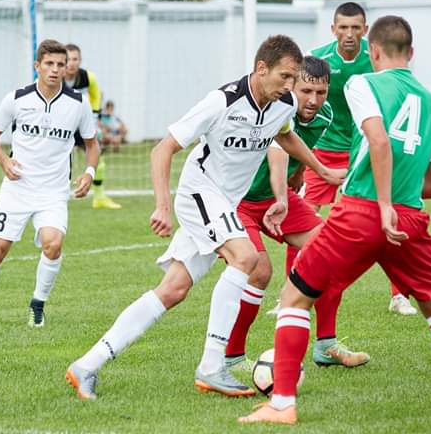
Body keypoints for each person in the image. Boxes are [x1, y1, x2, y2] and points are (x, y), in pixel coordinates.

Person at [238, 16, 431, 424]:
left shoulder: (362, 83)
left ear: (374, 52)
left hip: (362, 211)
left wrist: (381, 202)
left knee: (295, 298)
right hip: (410, 218)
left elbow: (378, 139)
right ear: (412, 54)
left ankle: (282, 405)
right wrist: (398, 201)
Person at [65, 35, 346, 401]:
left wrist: (321, 170)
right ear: (261, 69)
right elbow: (162, 148)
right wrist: (163, 206)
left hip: (225, 202)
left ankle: (86, 365)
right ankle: (213, 366)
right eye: (286, 77)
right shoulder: (223, 100)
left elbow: (286, 136)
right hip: (200, 192)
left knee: (173, 289)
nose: (292, 87)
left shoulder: (282, 103)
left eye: (295, 79)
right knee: (246, 258)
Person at [225, 56, 369, 371]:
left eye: (321, 92)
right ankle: (233, 358)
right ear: (291, 86)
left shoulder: (325, 115)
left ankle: (326, 345)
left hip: (277, 197)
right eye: (306, 91)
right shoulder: (277, 107)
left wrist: (299, 176)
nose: (314, 100)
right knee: (259, 272)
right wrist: (288, 191)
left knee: (329, 252)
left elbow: (297, 153)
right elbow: (278, 153)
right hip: (236, 199)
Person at [0, 39, 99, 328]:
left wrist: (89, 172)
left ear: (67, 69)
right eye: (49, 64)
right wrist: (4, 161)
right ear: (37, 66)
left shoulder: (78, 103)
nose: (54, 70)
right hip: (17, 189)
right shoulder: (17, 98)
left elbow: (92, 144)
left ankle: (37, 305)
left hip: (53, 192)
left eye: (60, 65)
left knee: (53, 244)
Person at [305, 1, 416, 316]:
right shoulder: (318, 60)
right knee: (304, 216)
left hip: (364, 148)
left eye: (356, 28)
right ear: (333, 29)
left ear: (366, 30)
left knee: (388, 215)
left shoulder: (378, 59)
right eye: (343, 27)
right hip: (325, 147)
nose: (349, 34)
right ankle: (296, 286)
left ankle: (399, 295)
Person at [64, 44, 121, 210]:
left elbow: (96, 96)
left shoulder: (89, 77)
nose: (72, 63)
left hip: (82, 126)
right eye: (68, 59)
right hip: (63, 127)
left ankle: (99, 197)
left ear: (80, 60)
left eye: (75, 59)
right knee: (60, 162)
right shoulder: (56, 77)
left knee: (98, 159)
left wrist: (95, 118)